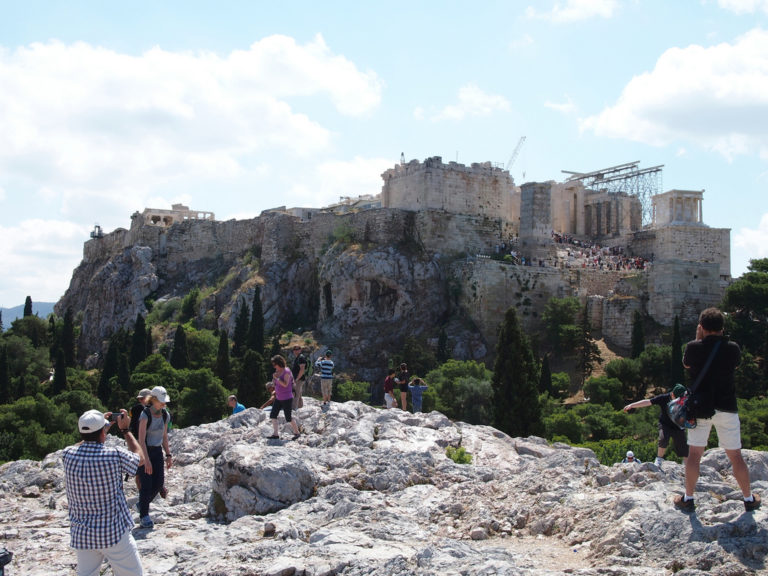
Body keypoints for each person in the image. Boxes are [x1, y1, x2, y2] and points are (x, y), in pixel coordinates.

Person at [675, 307, 761, 512]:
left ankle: (688, 498)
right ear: (722, 328)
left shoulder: (693, 347)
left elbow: (686, 365)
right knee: (735, 456)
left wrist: (698, 338)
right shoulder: (732, 348)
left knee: (694, 454)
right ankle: (748, 500)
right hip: (727, 406)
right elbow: (736, 366)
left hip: (700, 408)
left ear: (702, 327)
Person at [62, 409, 145, 575]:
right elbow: (140, 459)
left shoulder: (67, 455)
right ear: (102, 432)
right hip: (113, 533)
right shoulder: (113, 455)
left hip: (82, 534)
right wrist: (125, 430)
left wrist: (99, 430)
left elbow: (80, 445)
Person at [623, 383, 689, 469]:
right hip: (665, 424)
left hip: (678, 425)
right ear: (672, 394)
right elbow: (648, 402)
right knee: (663, 438)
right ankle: (659, 460)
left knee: (683, 445)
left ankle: (687, 464)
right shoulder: (664, 398)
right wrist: (632, 405)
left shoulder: (685, 400)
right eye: (676, 397)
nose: (678, 400)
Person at [137, 386, 173, 529]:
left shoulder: (165, 415)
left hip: (157, 451)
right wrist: (145, 460)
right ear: (154, 400)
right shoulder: (145, 415)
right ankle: (144, 515)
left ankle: (142, 504)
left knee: (159, 483)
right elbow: (141, 440)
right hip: (144, 451)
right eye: (161, 401)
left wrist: (168, 455)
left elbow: (164, 437)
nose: (164, 404)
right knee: (146, 485)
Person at [267, 355, 301, 440]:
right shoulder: (277, 371)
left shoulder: (286, 371)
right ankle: (275, 434)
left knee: (288, 417)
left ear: (279, 363)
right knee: (273, 415)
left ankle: (297, 432)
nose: (274, 366)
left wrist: (277, 378)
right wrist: (274, 382)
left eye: (275, 364)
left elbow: (285, 384)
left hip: (286, 398)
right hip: (278, 397)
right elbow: (275, 383)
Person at [128, 388, 153, 491]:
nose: (141, 401)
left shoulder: (155, 409)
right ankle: (142, 492)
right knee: (139, 469)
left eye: (142, 398)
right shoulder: (136, 409)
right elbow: (133, 425)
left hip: (150, 442)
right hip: (139, 441)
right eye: (140, 399)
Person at [291, 345, 308, 410]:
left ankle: (293, 409)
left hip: (299, 379)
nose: (296, 351)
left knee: (296, 394)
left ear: (300, 350)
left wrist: (297, 379)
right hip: (298, 378)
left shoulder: (301, 357)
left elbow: (302, 369)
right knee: (299, 394)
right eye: (294, 349)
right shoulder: (298, 357)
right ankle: (300, 407)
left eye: (297, 349)